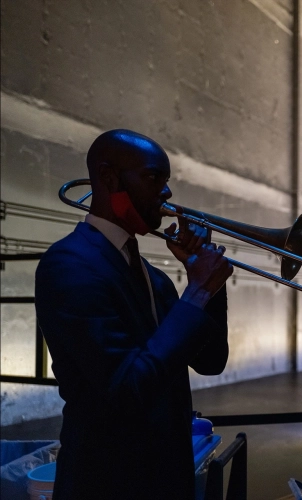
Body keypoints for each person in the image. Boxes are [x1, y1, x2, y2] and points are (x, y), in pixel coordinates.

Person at [35, 129, 234, 499]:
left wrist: (209, 287)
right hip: (107, 481)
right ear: (110, 179)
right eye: (153, 177)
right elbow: (126, 388)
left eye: (167, 180)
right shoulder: (68, 265)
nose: (167, 192)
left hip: (166, 475)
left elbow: (211, 361)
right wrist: (198, 290)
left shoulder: (153, 277)